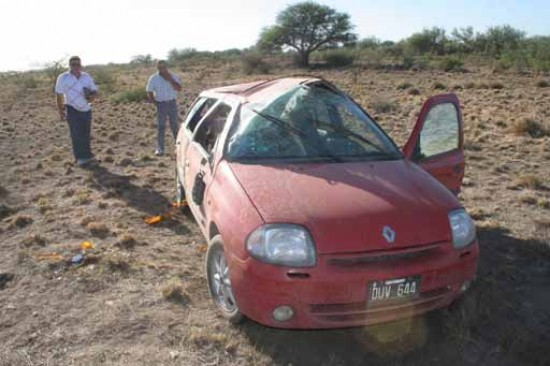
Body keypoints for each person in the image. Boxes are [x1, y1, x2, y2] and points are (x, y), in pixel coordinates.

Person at [55, 56, 99, 167]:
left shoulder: (86, 77)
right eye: (73, 64)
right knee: (76, 134)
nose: (76, 66)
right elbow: (59, 94)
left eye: (78, 64)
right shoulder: (63, 77)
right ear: (69, 65)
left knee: (86, 133)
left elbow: (95, 91)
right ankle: (80, 158)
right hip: (71, 108)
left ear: (81, 65)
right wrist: (61, 111)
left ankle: (88, 156)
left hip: (86, 108)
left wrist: (92, 96)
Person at [146, 60, 182, 156]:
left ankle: (178, 147)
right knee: (161, 127)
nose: (162, 69)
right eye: (160, 68)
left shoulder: (174, 76)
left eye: (163, 67)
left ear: (167, 67)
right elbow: (149, 91)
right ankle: (160, 149)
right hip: (161, 104)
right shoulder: (153, 78)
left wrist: (170, 79)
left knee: (174, 125)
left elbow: (179, 88)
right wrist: (155, 103)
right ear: (157, 68)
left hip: (172, 103)